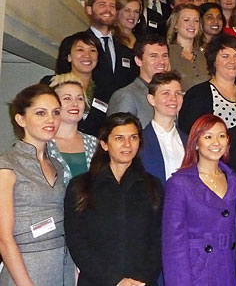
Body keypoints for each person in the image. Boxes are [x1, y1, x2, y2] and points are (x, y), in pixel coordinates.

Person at [64, 113, 163, 286]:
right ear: (104, 144)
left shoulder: (152, 186)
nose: (127, 144)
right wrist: (114, 281)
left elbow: (158, 237)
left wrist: (141, 279)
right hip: (97, 281)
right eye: (119, 138)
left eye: (133, 137)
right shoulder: (81, 186)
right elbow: (77, 241)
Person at [0, 84, 75, 286]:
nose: (51, 120)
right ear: (20, 119)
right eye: (41, 113)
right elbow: (4, 238)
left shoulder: (58, 164)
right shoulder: (7, 165)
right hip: (26, 268)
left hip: (63, 264)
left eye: (56, 113)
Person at [162, 114, 236, 286]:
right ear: (196, 143)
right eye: (208, 136)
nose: (216, 142)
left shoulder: (235, 181)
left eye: (221, 136)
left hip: (232, 270)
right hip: (198, 273)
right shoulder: (179, 184)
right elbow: (173, 245)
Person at [59, 0, 137, 111]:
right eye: (102, 5)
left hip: (118, 117)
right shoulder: (72, 43)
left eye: (112, 6)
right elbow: (62, 81)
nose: (108, 9)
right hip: (85, 116)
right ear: (89, 10)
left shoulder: (126, 51)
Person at [179, 35, 236, 133]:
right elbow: (189, 133)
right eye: (225, 56)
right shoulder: (198, 94)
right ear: (214, 61)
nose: (232, 61)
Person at [107, 34, 170, 127]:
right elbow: (119, 136)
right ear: (138, 60)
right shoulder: (126, 96)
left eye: (165, 56)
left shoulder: (171, 95)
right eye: (153, 56)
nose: (161, 61)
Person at [47, 74, 98, 184]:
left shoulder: (94, 143)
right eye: (67, 98)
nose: (74, 103)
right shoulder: (42, 144)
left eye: (79, 98)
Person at [50, 31, 104, 135]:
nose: (87, 55)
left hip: (93, 147)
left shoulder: (105, 90)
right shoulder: (52, 84)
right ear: (69, 56)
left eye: (92, 50)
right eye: (80, 50)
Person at [140, 71, 187, 185]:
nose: (173, 99)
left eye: (178, 93)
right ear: (151, 99)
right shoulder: (140, 141)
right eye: (166, 93)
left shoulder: (189, 141)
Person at [167, 3, 208, 90]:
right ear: (175, 24)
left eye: (196, 20)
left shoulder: (205, 55)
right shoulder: (166, 53)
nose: (192, 24)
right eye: (186, 20)